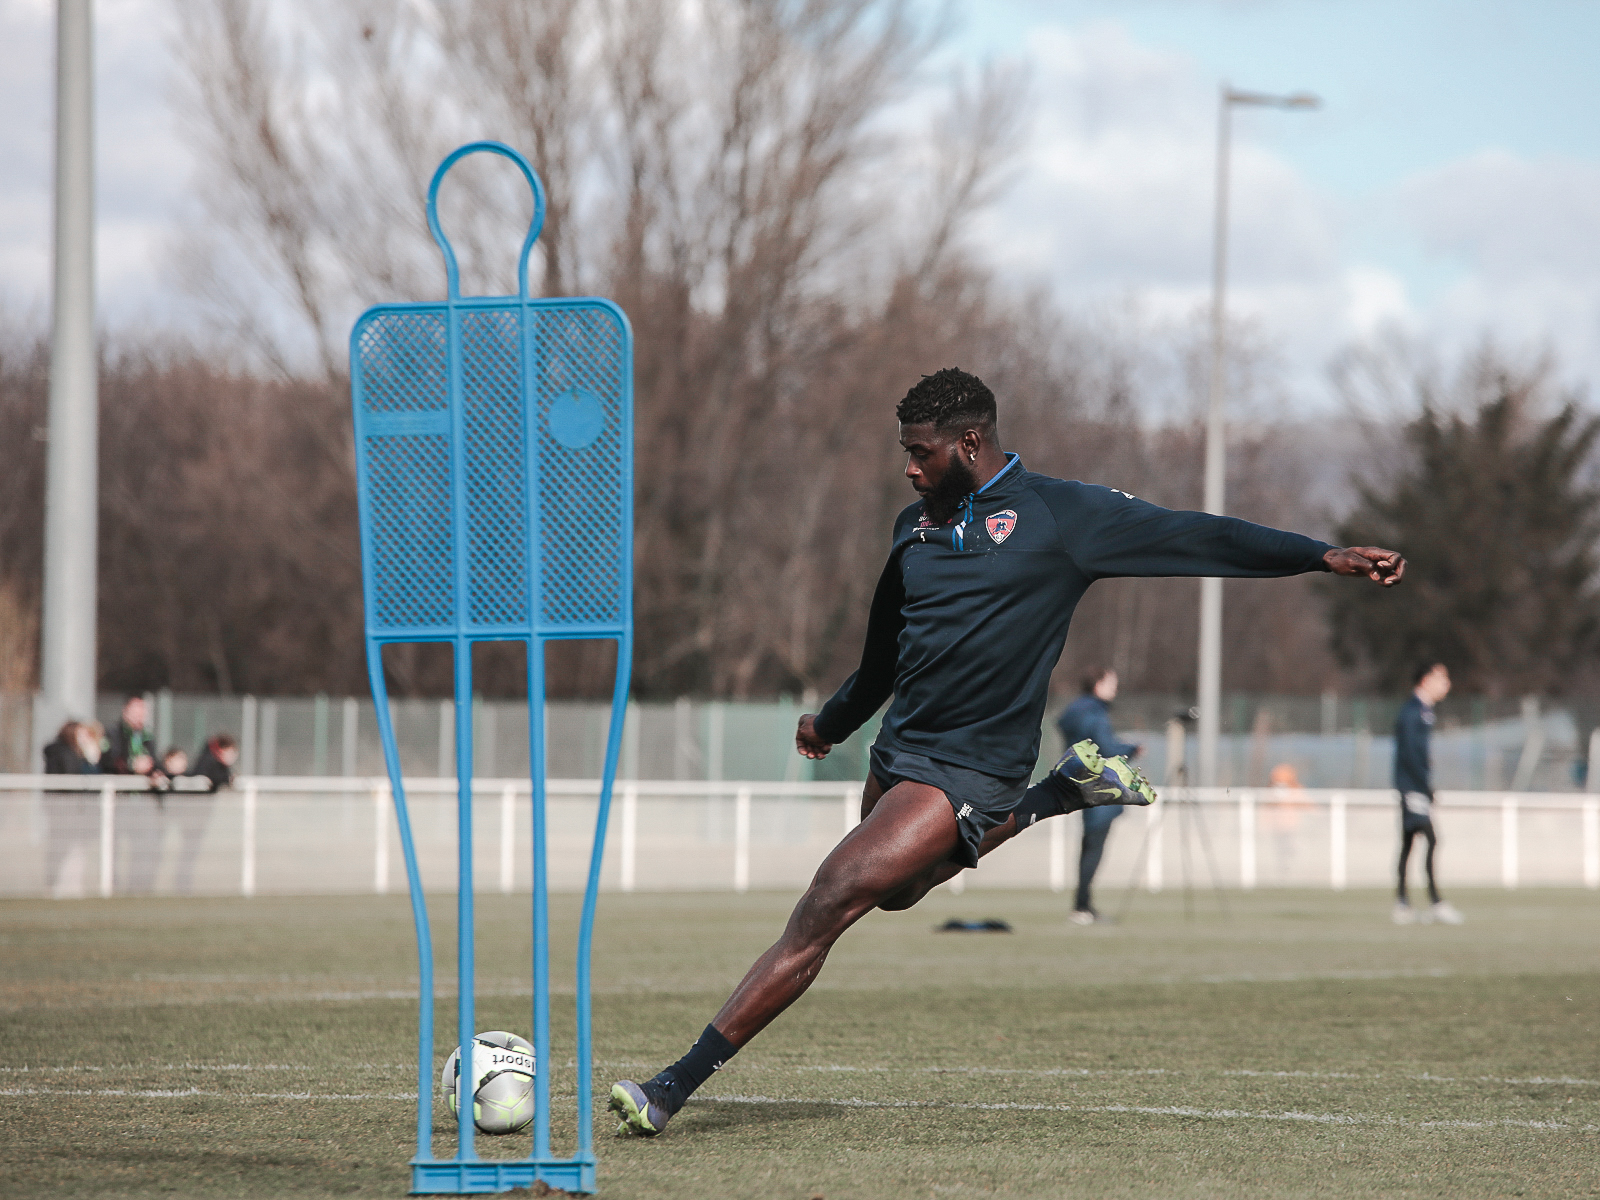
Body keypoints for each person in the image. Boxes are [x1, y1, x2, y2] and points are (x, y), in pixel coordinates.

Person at [609, 367, 1406, 1137]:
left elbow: (1195, 533)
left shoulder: (1062, 516)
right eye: (906, 451)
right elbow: (885, 655)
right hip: (902, 750)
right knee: (895, 897)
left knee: (830, 899)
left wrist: (1318, 553)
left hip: (973, 766)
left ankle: (672, 1085)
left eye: (921, 451)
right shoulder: (910, 528)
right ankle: (1062, 792)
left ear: (971, 441)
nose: (910, 466)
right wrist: (834, 721)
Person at [1056, 667, 1140, 924]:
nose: (1115, 688)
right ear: (1097, 685)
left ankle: (1083, 905)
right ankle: (1082, 907)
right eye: (1111, 683)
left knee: (1088, 847)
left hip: (1077, 783)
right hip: (1100, 786)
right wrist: (1132, 748)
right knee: (1094, 848)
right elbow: (1107, 747)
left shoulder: (1074, 710)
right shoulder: (1094, 713)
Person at [1393, 662, 1462, 925]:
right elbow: (1411, 755)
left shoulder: (1423, 711)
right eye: (1440, 678)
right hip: (1413, 788)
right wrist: (1422, 786)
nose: (1446, 684)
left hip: (1414, 786)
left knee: (1409, 843)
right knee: (1431, 840)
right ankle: (1433, 903)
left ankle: (1403, 904)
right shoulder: (1414, 712)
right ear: (1424, 681)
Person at [169, 734, 239, 894]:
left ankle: (184, 884)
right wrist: (227, 779)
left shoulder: (216, 763)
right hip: (193, 816)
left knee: (190, 852)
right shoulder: (208, 761)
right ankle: (182, 884)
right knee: (188, 851)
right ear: (222, 750)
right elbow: (210, 777)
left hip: (200, 816)